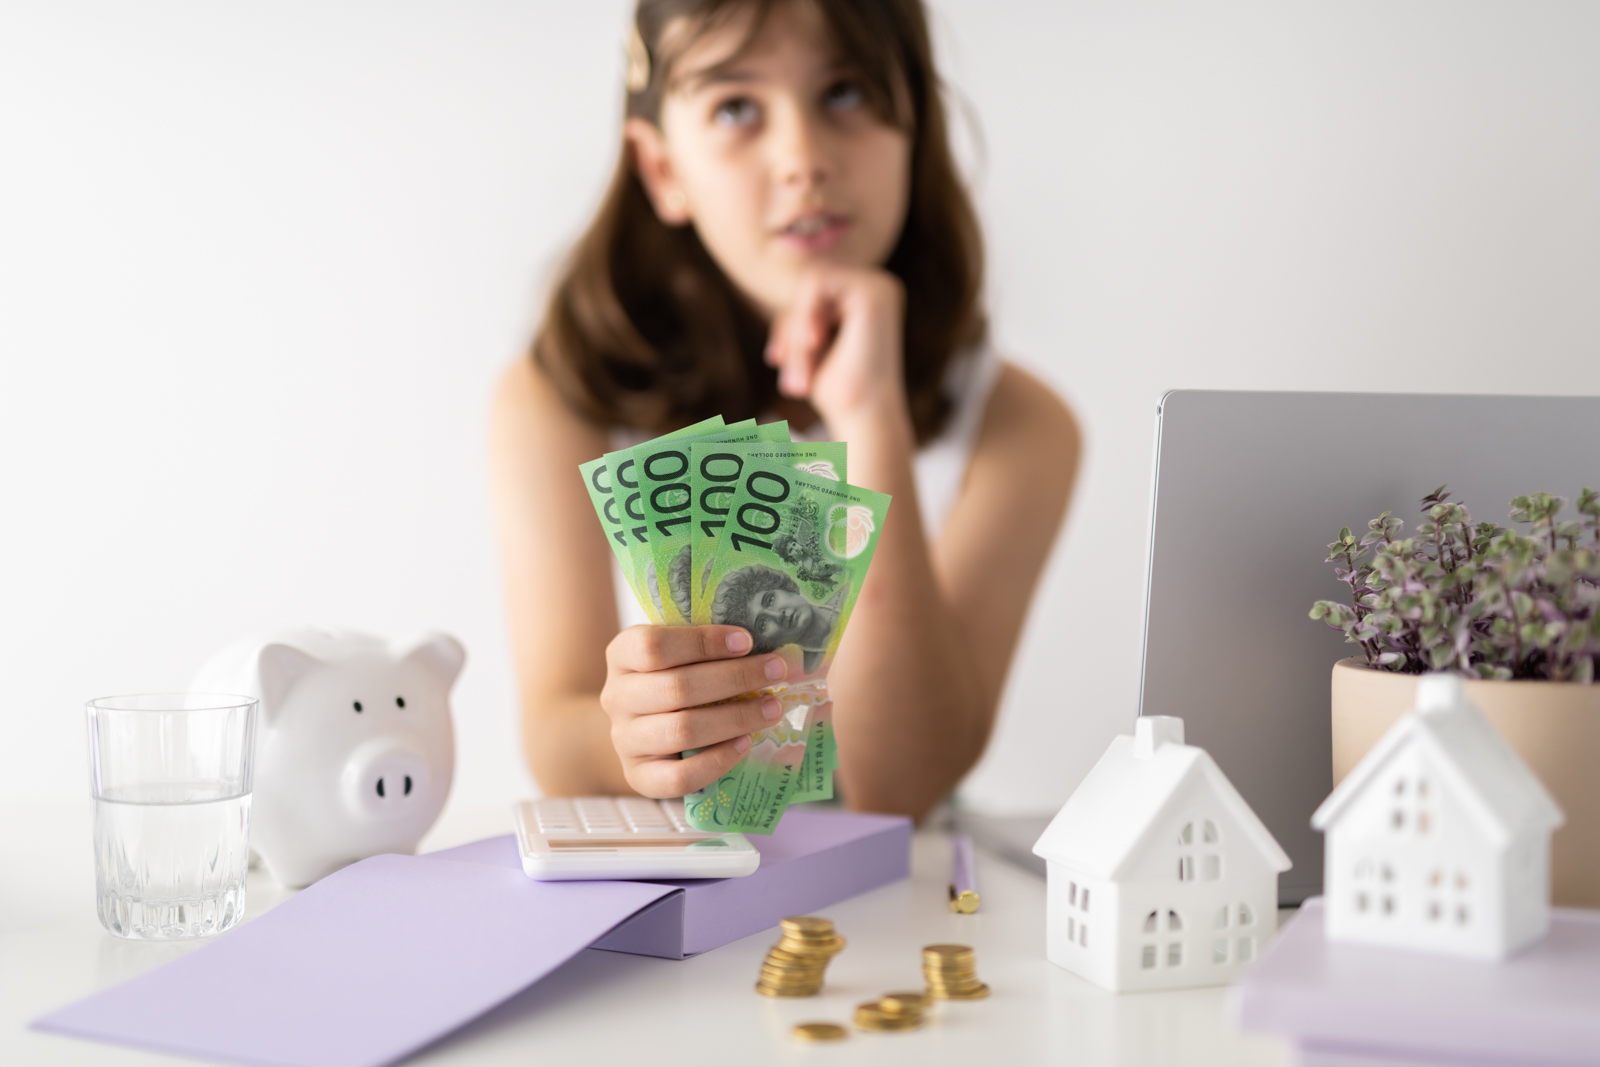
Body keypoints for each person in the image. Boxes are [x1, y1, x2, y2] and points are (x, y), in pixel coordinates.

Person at [491, 0, 1079, 820]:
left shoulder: (1023, 428)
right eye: (736, 107)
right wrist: (632, 735)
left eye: (845, 92)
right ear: (663, 170)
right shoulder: (561, 398)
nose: (803, 158)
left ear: (915, 125)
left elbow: (897, 784)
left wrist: (871, 421)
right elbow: (556, 733)